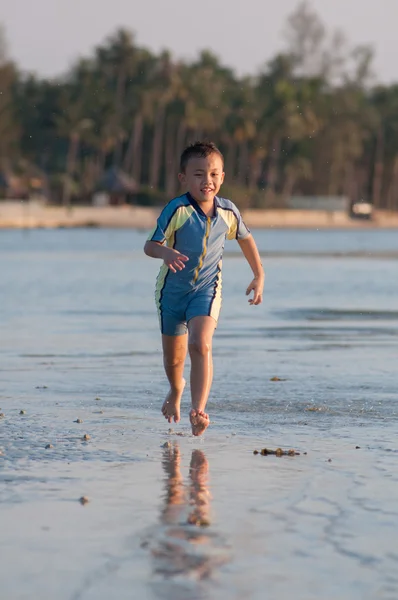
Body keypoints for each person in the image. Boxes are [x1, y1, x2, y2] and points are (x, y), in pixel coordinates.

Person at [144, 141, 264, 436]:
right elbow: (150, 245)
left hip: (207, 291)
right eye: (198, 174)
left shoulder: (228, 211)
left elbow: (246, 239)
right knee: (173, 360)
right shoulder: (178, 209)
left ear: (222, 177)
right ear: (183, 177)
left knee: (201, 344)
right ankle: (176, 389)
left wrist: (259, 274)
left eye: (213, 174)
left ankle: (198, 410)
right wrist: (165, 253)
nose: (206, 181)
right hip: (170, 294)